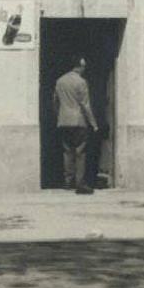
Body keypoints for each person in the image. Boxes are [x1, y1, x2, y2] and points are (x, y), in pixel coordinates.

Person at [53, 57, 101, 194]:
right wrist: (93, 123)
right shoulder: (81, 82)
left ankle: (68, 182)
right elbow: (85, 105)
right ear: (79, 67)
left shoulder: (60, 81)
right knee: (80, 152)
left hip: (63, 121)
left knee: (67, 151)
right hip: (78, 121)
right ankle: (80, 183)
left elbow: (55, 102)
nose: (84, 69)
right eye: (84, 66)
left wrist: (59, 116)